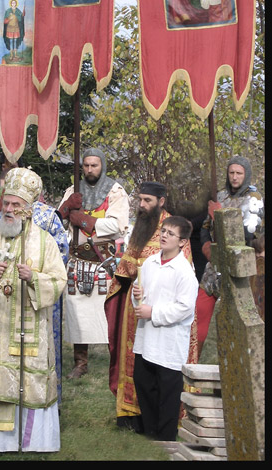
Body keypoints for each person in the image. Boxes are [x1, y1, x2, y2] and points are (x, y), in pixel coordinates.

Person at [0, 168, 67, 453]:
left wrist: (33, 278)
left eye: (15, 205)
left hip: (29, 334)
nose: (8, 210)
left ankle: (32, 442)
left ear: (28, 209)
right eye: (6, 203)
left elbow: (59, 281)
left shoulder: (45, 242)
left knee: (29, 380)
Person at [104, 181, 193, 432]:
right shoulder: (142, 226)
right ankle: (133, 416)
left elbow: (183, 294)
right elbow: (129, 264)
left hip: (164, 319)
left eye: (147, 201)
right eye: (140, 200)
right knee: (138, 370)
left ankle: (162, 427)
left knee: (164, 375)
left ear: (161, 201)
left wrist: (154, 310)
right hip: (136, 313)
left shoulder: (175, 229)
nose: (142, 206)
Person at [58, 148, 130, 379]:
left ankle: (115, 362)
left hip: (103, 261)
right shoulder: (73, 190)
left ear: (102, 166)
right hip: (78, 260)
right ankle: (81, 363)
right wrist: (68, 207)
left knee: (108, 311)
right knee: (77, 312)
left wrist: (86, 220)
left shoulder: (115, 191)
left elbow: (118, 224)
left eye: (94, 165)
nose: (90, 169)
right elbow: (58, 219)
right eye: (86, 165)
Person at [132, 216, 199, 441]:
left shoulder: (184, 271)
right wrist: (137, 297)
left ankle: (166, 437)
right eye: (163, 231)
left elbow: (184, 308)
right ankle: (151, 432)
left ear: (182, 242)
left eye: (170, 233)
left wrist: (153, 312)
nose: (163, 236)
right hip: (146, 337)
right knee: (144, 383)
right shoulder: (150, 262)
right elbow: (138, 290)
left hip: (169, 340)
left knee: (167, 391)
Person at [198, 155, 264, 358]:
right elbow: (205, 227)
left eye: (239, 173)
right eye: (231, 172)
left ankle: (241, 362)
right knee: (199, 313)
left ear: (246, 175)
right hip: (215, 265)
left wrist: (221, 215)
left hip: (239, 267)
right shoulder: (220, 195)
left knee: (239, 318)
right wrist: (206, 246)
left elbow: (246, 235)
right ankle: (190, 363)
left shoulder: (254, 199)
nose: (234, 177)